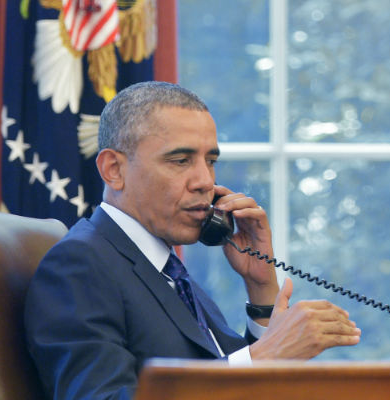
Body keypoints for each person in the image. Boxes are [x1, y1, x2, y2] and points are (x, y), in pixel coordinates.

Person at [24, 81, 362, 400]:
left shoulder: (166, 269)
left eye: (210, 161)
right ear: (114, 169)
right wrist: (264, 356)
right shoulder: (79, 265)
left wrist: (260, 289)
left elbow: (228, 377)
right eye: (181, 160)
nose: (205, 181)